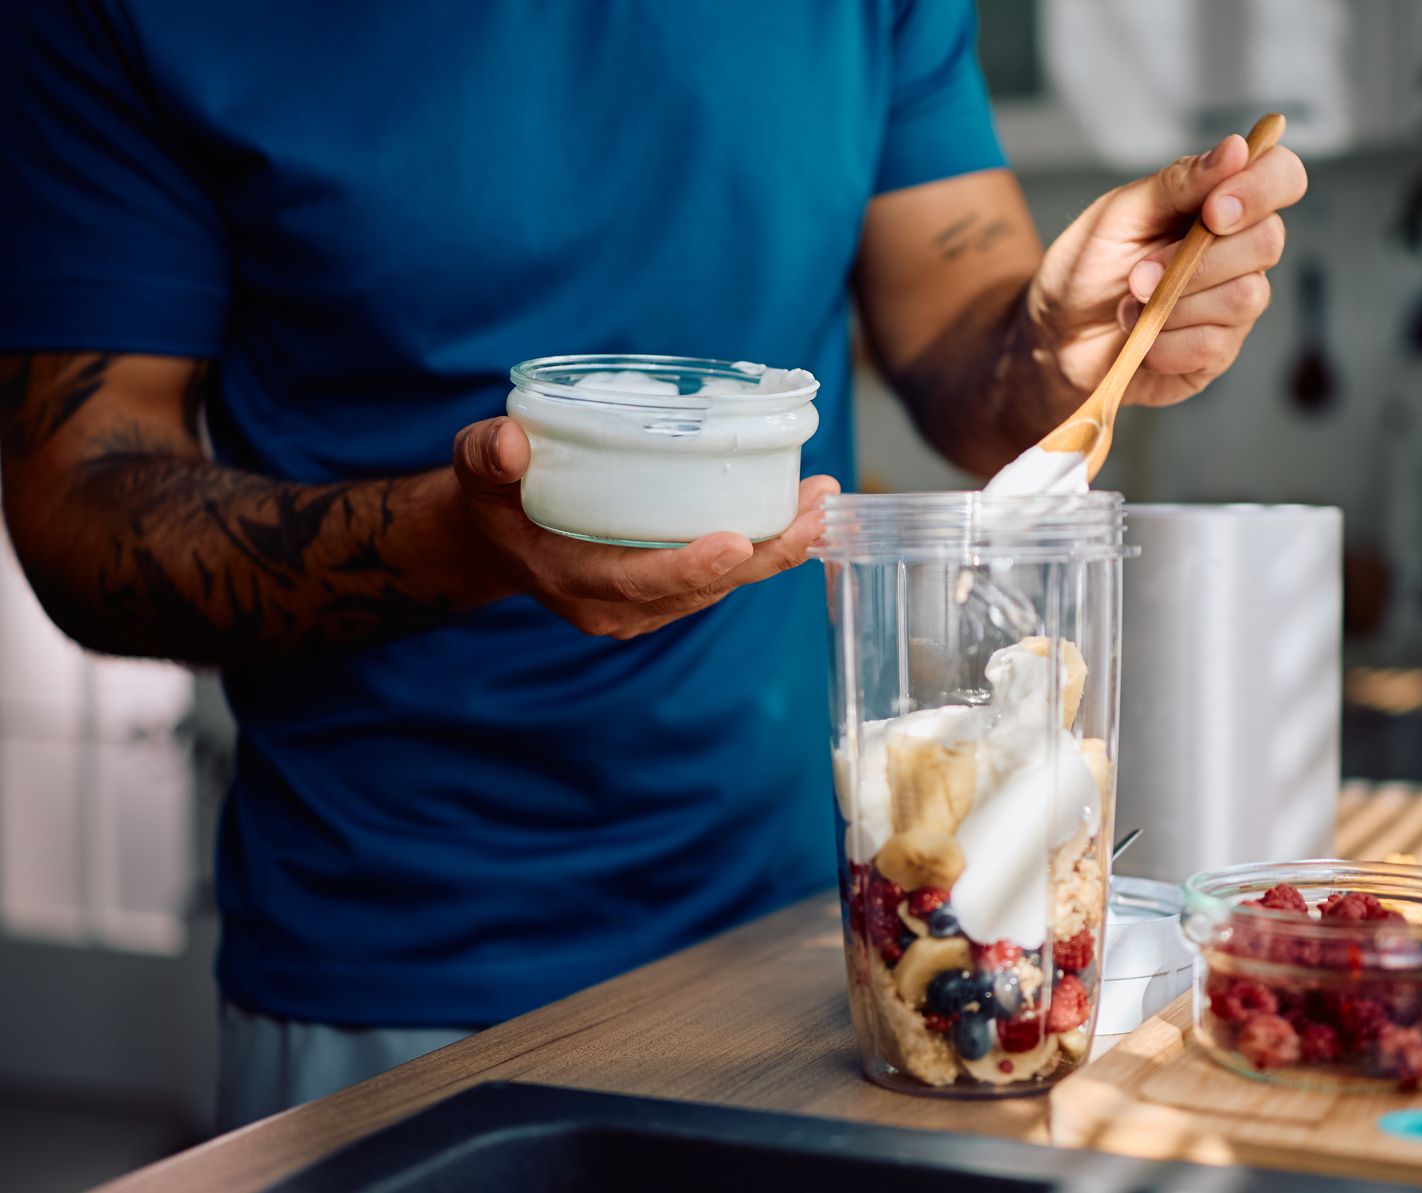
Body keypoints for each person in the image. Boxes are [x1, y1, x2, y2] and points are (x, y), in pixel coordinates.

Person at [0, 1, 1305, 1126]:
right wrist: (462, 538)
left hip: (826, 948)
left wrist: (1057, 339)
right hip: (394, 975)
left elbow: (971, 350)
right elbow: (81, 508)